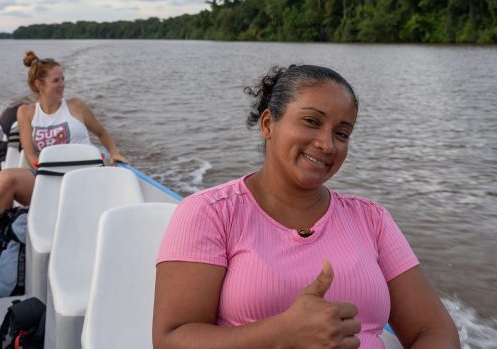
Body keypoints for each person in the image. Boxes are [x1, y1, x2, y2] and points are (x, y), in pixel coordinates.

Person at [153, 65, 459, 349]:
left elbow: (434, 330)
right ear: (269, 124)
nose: (327, 144)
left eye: (341, 133)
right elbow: (171, 338)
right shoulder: (211, 212)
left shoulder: (371, 219)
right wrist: (281, 333)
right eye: (312, 122)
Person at [0, 51, 127, 219]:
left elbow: (102, 134)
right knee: (4, 180)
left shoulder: (76, 106)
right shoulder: (26, 113)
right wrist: (49, 170)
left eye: (62, 79)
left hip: (82, 178)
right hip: (48, 179)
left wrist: (114, 152)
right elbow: (31, 155)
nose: (62, 85)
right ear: (39, 85)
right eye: (56, 80)